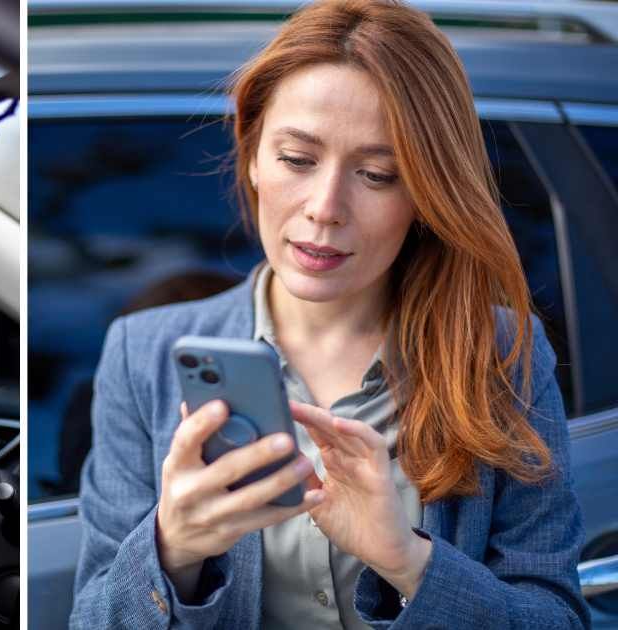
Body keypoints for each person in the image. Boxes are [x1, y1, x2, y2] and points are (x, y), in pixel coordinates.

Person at [70, 1, 589, 628]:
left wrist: (407, 560)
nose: (325, 207)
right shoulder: (141, 353)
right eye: (297, 159)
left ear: (425, 194)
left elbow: (556, 617)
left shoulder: (503, 354)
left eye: (377, 174)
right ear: (254, 152)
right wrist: (172, 550)